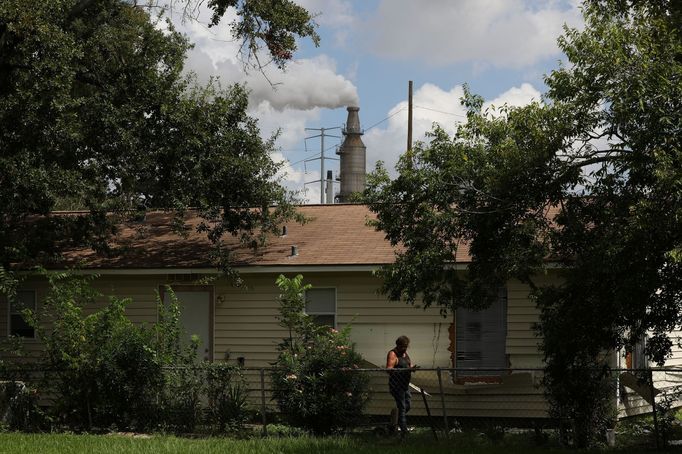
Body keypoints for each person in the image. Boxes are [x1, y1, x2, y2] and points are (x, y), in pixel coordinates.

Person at [386, 335, 416, 438]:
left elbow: (409, 365)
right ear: (398, 345)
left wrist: (413, 368)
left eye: (406, 347)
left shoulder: (405, 354)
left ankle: (394, 420)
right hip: (396, 386)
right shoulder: (393, 354)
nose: (405, 349)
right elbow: (389, 369)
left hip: (405, 385)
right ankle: (404, 431)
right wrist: (401, 371)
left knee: (408, 405)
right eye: (403, 347)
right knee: (402, 407)